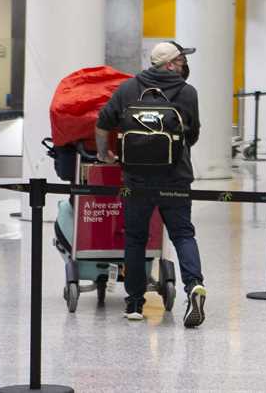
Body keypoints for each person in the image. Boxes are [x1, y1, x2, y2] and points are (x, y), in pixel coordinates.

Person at [94, 41, 207, 327]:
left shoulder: (128, 88)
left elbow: (103, 122)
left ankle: (134, 303)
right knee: (182, 234)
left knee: (135, 239)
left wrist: (101, 153)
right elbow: (192, 135)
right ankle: (193, 286)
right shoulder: (187, 92)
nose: (184, 65)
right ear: (169, 64)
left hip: (136, 179)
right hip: (175, 177)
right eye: (181, 60)